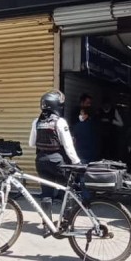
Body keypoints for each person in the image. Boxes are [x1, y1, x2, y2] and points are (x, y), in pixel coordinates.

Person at [29, 90, 81, 222]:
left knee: (46, 193)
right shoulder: (60, 122)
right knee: (68, 190)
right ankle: (66, 222)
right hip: (57, 161)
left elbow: (31, 143)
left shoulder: (36, 122)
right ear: (55, 105)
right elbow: (68, 146)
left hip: (40, 160)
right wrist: (77, 162)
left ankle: (47, 224)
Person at [70, 93, 99, 164]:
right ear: (82, 103)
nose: (89, 105)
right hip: (79, 145)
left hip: (90, 146)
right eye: (87, 103)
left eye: (90, 103)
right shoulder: (75, 112)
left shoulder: (92, 113)